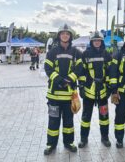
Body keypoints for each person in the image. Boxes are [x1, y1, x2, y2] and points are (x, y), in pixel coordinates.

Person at [43, 24, 84, 155]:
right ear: (59, 36)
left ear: (70, 36)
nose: (65, 35)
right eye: (63, 33)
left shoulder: (76, 52)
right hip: (54, 95)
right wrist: (60, 80)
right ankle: (51, 144)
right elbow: (48, 68)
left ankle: (69, 142)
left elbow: (79, 68)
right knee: (53, 122)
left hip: (68, 95)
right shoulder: (52, 51)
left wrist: (70, 79)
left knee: (68, 122)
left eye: (67, 34)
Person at [78, 31, 112, 148]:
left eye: (99, 40)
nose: (97, 42)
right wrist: (81, 87)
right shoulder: (85, 54)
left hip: (102, 91)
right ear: (91, 42)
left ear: (101, 42)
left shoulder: (106, 54)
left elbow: (109, 71)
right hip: (88, 91)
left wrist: (108, 87)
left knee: (104, 117)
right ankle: (83, 139)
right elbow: (82, 72)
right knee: (86, 117)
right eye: (95, 40)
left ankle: (105, 137)